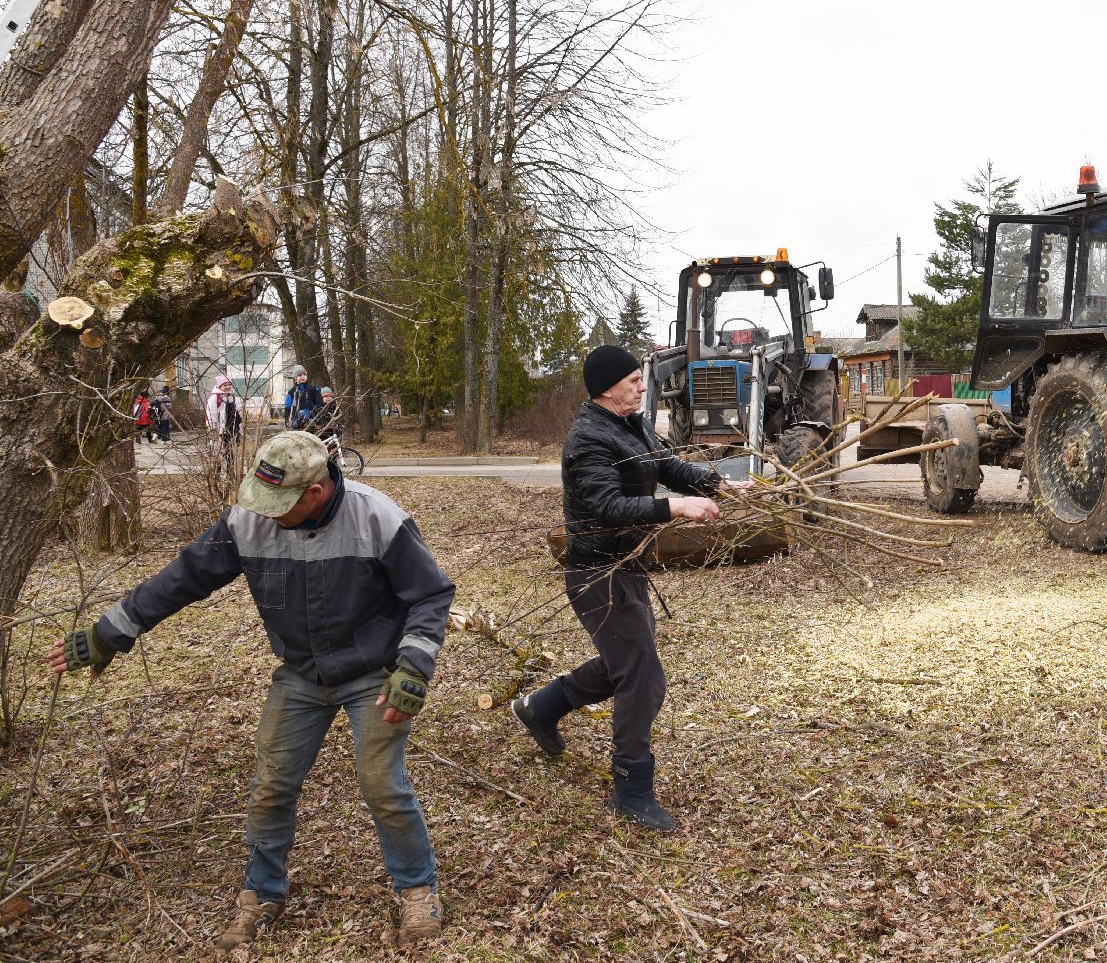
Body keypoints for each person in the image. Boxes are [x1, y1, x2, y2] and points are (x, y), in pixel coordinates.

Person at [46, 430, 455, 952]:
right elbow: (182, 578)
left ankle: (417, 887)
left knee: (382, 784)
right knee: (271, 785)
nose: (267, 515)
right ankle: (263, 891)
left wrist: (414, 667)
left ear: (315, 491)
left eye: (280, 505)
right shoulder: (248, 521)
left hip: (374, 672)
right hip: (302, 674)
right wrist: (108, 633)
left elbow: (431, 594)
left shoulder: (378, 517)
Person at [510, 344, 732, 831]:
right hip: (595, 573)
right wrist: (673, 508)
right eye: (632, 379)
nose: (640, 385)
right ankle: (631, 789)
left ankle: (541, 707)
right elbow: (608, 506)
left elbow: (668, 466)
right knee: (643, 678)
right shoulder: (588, 438)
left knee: (623, 664)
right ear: (607, 387)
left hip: (627, 566)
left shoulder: (632, 424)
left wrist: (718, 485)